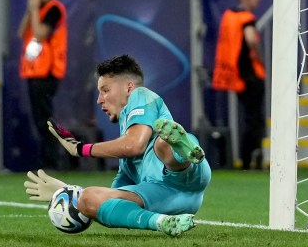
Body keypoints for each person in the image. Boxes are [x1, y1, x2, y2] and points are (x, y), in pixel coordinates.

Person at [26, 54, 208, 237]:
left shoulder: (141, 95)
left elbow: (135, 145)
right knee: (88, 199)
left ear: (129, 87)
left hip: (186, 174)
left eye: (105, 90)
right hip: (168, 197)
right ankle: (163, 222)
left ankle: (183, 154)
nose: (99, 100)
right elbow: (112, 198)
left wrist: (81, 149)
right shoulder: (125, 143)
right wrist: (67, 192)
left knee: (162, 144)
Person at [212, 0, 267, 170]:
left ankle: (246, 158)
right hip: (251, 74)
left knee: (248, 118)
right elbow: (251, 40)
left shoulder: (229, 16)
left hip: (236, 75)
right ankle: (251, 158)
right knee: (255, 119)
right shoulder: (246, 18)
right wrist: (261, 59)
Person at [18, 0, 68, 170]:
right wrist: (30, 11)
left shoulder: (53, 8)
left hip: (47, 72)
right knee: (39, 120)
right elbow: (22, 33)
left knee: (46, 119)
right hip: (34, 72)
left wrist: (34, 11)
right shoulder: (36, 11)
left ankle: (53, 161)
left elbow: (40, 33)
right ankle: (47, 160)